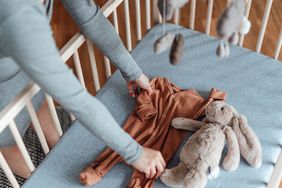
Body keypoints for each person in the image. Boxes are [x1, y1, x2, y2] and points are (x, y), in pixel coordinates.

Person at [0, 0, 165, 180]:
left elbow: (90, 18)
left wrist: (132, 71)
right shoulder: (15, 14)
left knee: (48, 120)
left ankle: (54, 150)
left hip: (22, 64)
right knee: (13, 145)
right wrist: (136, 154)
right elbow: (76, 98)